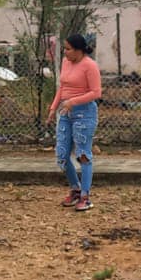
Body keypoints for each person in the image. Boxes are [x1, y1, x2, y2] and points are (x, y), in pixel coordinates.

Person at [46, 33, 102, 211]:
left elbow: (96, 92)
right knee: (62, 156)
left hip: (84, 114)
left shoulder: (90, 66)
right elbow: (62, 87)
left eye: (69, 49)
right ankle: (75, 188)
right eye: (65, 48)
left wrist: (73, 102)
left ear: (79, 50)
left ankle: (85, 196)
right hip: (65, 112)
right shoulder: (65, 62)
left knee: (83, 155)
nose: (65, 52)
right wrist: (53, 108)